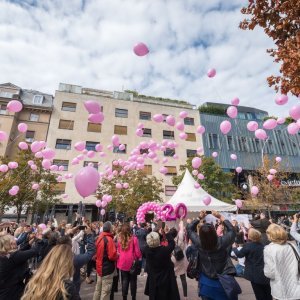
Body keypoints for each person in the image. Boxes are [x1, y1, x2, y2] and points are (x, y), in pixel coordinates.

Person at [187, 210, 237, 300]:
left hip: (206, 281)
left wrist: (199, 217)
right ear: (214, 232)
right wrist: (220, 216)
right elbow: (232, 231)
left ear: (200, 235)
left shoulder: (199, 242)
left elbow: (189, 229)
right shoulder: (221, 242)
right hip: (223, 281)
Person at [232, 228, 272, 300]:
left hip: (254, 273)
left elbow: (239, 254)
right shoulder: (262, 245)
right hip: (264, 271)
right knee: (267, 292)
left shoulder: (248, 246)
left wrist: (234, 248)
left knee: (259, 293)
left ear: (250, 237)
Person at [0, 232, 42, 300]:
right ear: (10, 243)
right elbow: (34, 251)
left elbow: (20, 252)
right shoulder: (13, 256)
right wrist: (39, 240)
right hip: (11, 293)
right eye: (13, 240)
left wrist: (28, 244)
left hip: (4, 290)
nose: (15, 241)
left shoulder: (5, 255)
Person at [264, 224, 300, 300]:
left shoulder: (269, 249)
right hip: (296, 286)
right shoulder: (292, 245)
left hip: (281, 288)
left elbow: (270, 273)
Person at [143, 229, 180, 300]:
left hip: (153, 280)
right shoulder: (164, 250)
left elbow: (152, 242)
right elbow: (172, 243)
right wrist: (166, 233)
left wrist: (158, 235)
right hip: (165, 279)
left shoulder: (146, 250)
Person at [93, 221, 118, 300]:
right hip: (106, 269)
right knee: (105, 292)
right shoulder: (109, 239)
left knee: (98, 290)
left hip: (99, 267)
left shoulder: (99, 237)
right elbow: (112, 256)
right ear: (110, 229)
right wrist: (117, 255)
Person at [117, 223, 142, 300]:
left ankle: (124, 297)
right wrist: (140, 257)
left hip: (122, 262)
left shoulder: (119, 239)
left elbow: (118, 250)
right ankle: (133, 297)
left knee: (124, 280)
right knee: (133, 281)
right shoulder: (134, 238)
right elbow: (137, 251)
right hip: (132, 262)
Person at [170, 220, 188, 300]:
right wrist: (181, 221)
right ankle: (185, 296)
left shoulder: (169, 241)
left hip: (173, 260)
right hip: (181, 259)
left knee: (173, 279)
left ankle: (174, 294)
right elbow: (181, 230)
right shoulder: (180, 238)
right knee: (183, 278)